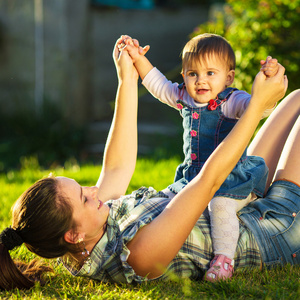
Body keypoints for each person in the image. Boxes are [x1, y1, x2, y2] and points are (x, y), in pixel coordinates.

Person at [0, 36, 292, 291]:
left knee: (296, 100)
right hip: (269, 230)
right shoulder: (138, 256)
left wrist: (127, 78)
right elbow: (208, 180)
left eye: (82, 187)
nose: (93, 190)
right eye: (84, 197)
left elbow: (116, 168)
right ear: (73, 235)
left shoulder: (82, 238)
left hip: (238, 195)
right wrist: (256, 107)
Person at [118, 33, 279, 281]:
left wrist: (268, 86)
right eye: (193, 74)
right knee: (169, 202)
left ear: (229, 77)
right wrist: (138, 58)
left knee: (220, 206)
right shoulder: (184, 97)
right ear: (184, 76)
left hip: (229, 180)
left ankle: (224, 259)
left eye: (210, 74)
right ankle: (147, 233)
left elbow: (259, 109)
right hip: (193, 179)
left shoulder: (231, 101)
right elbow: (157, 84)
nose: (200, 81)